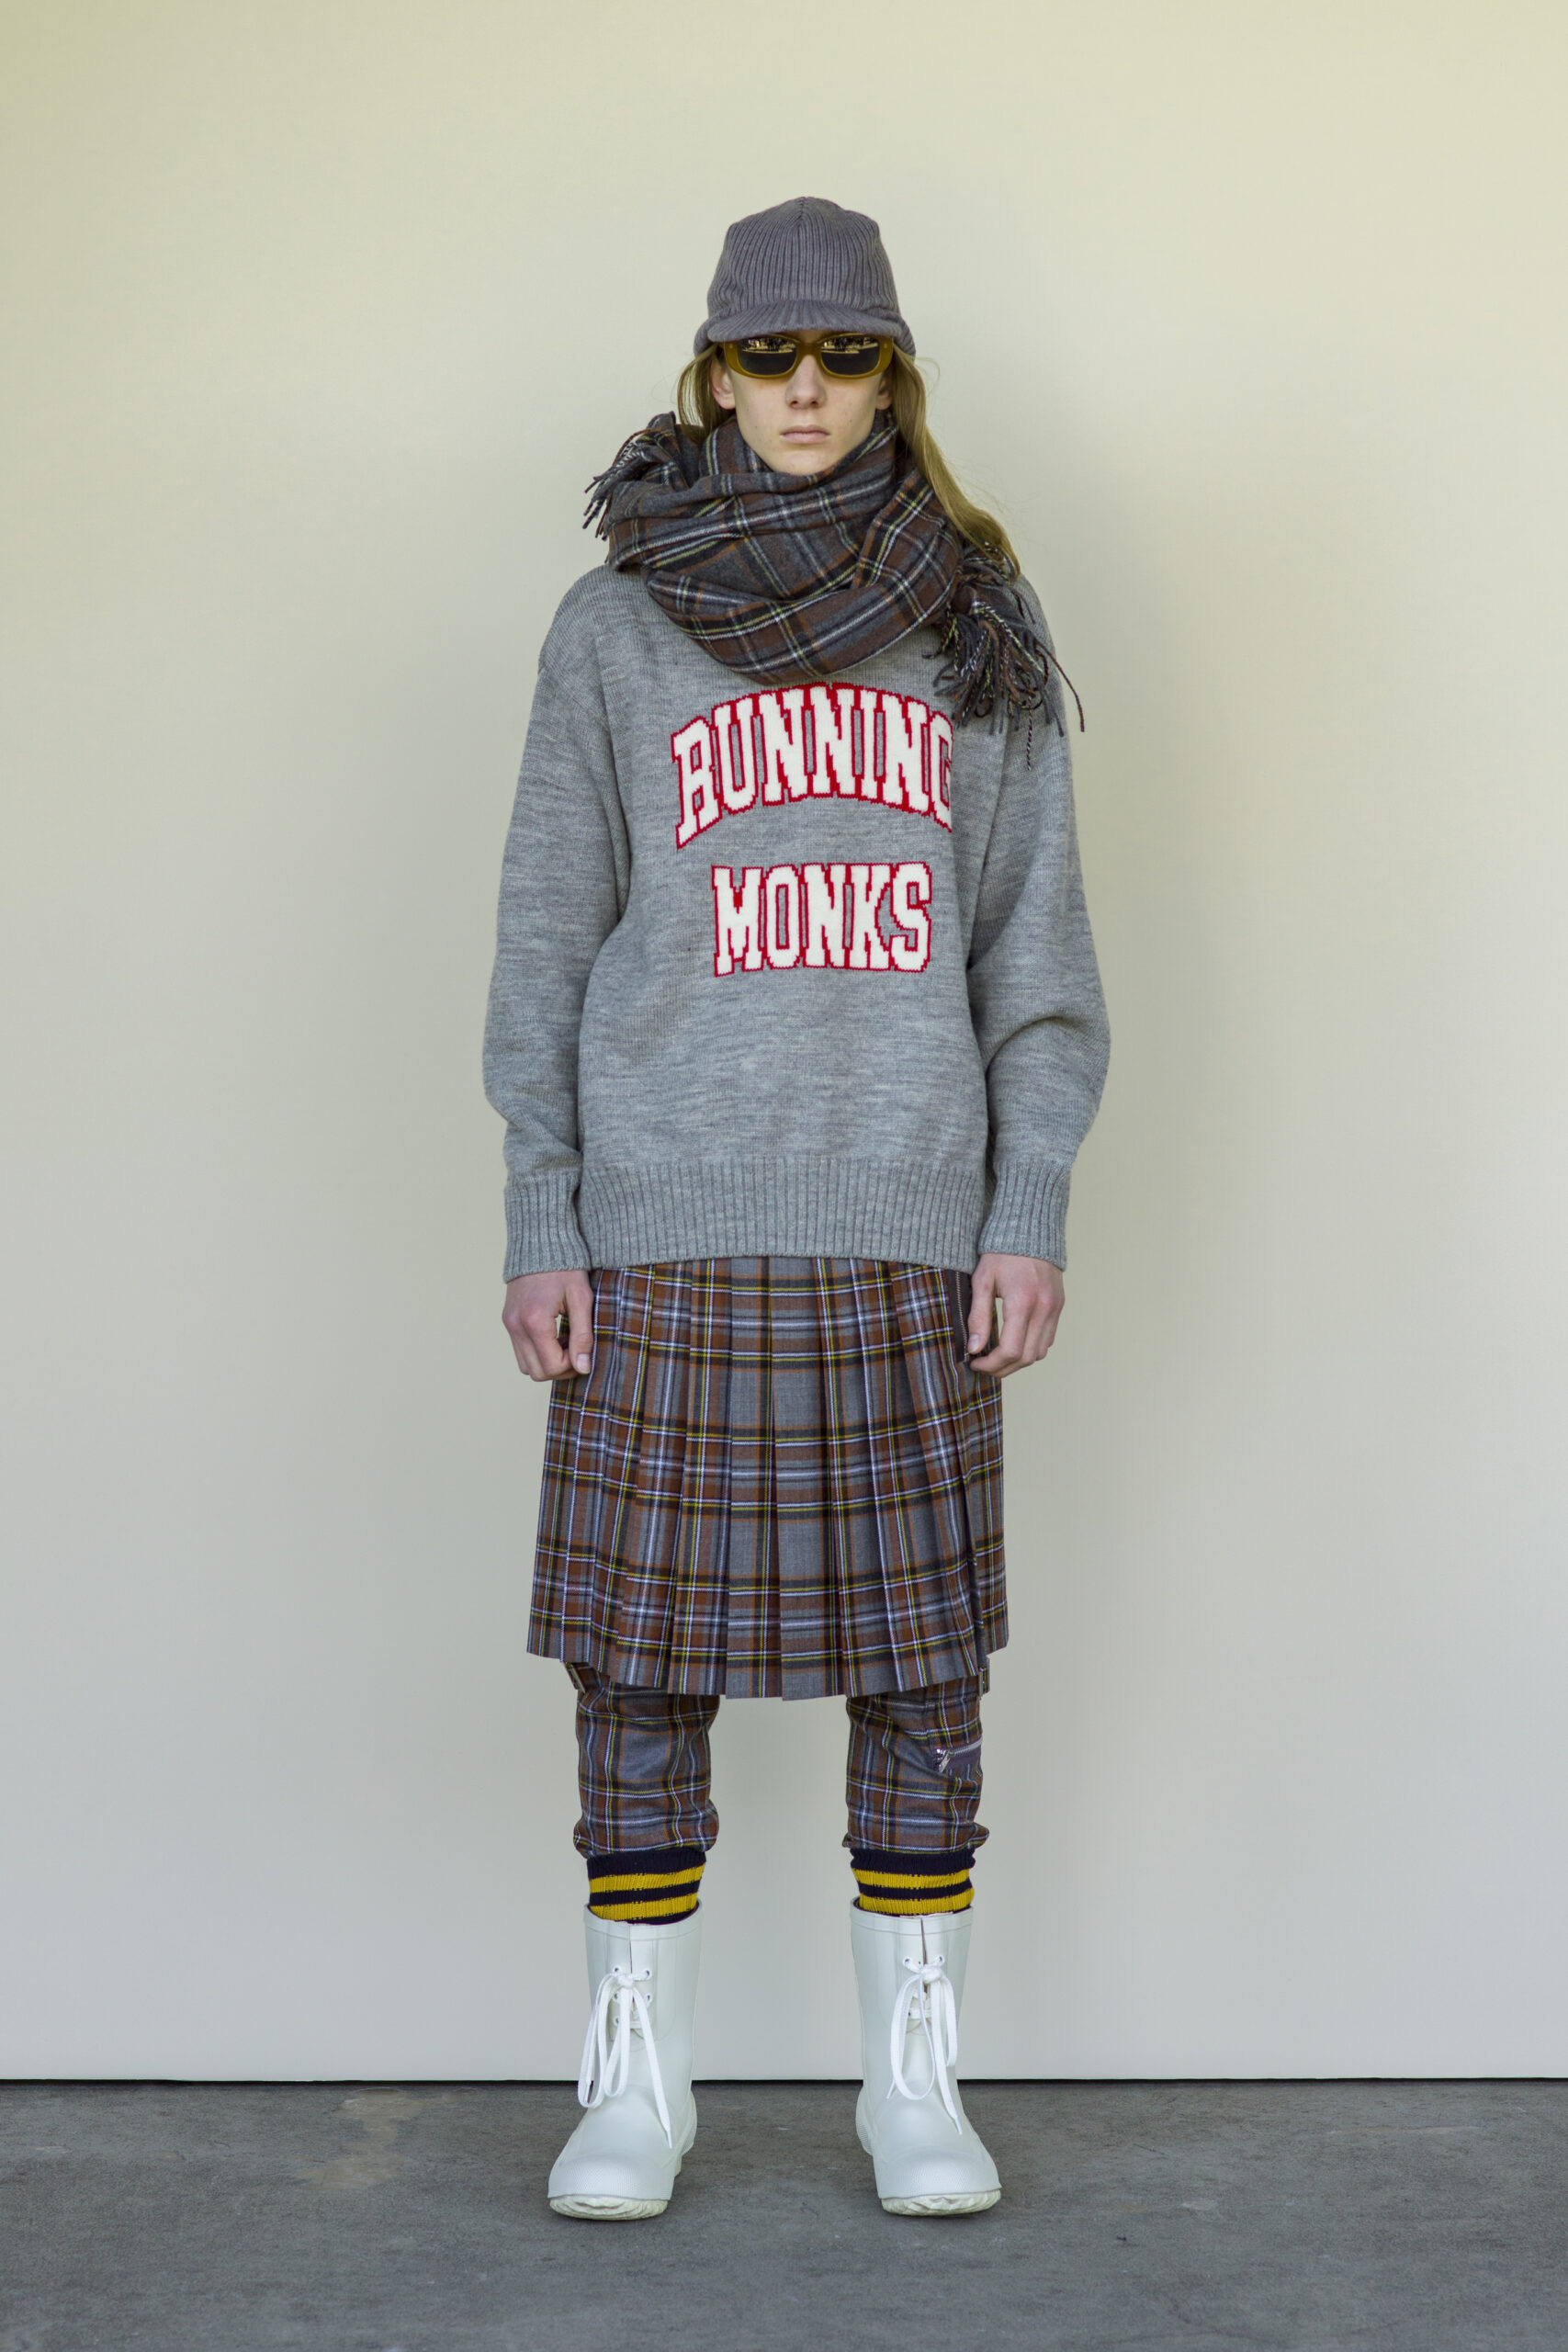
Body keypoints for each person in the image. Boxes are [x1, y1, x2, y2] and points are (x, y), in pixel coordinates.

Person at [482, 195, 1109, 2222]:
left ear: (892, 377)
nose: (806, 390)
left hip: (907, 1217)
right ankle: (636, 2089)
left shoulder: (975, 618)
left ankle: (910, 2089)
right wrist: (543, 1211)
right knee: (636, 1676)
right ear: (713, 373)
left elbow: (1033, 959)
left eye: (845, 357)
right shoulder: (611, 629)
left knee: (923, 1681)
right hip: (662, 1218)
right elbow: (545, 943)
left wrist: (1024, 1201)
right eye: (770, 356)